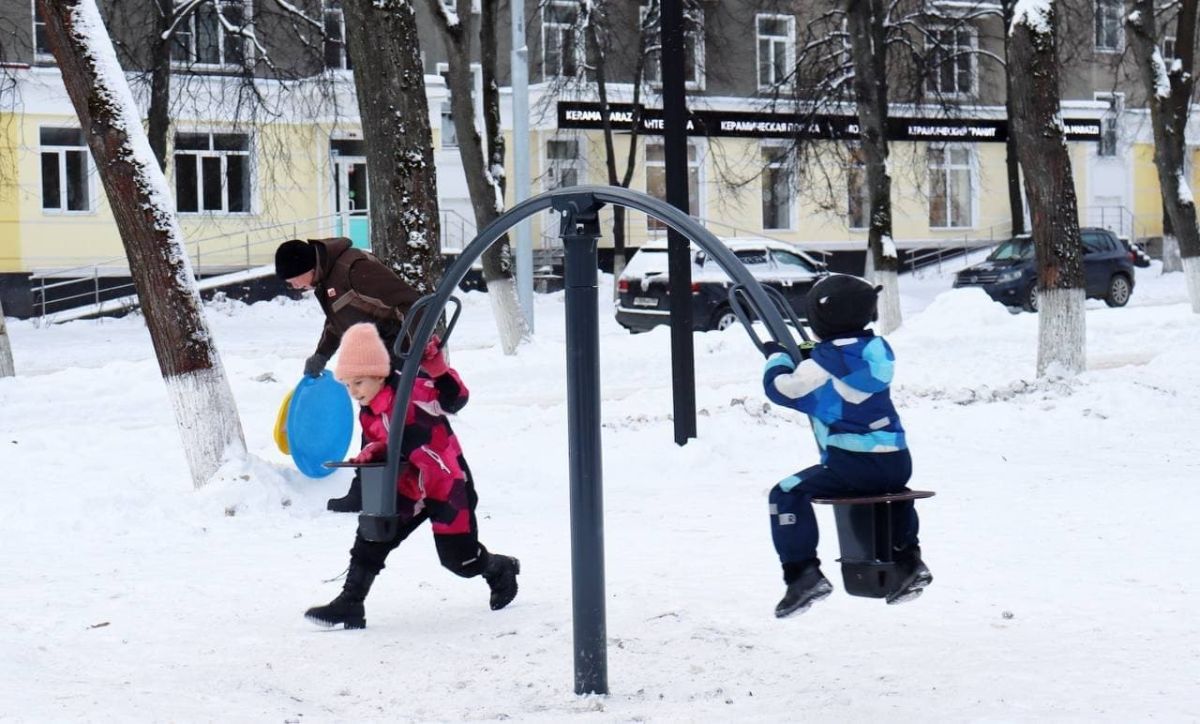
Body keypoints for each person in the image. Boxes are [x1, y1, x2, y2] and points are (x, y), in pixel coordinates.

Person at [304, 323, 520, 629]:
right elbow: (386, 441)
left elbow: (454, 399)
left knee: (459, 560)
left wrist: (439, 370)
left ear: (379, 374)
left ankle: (498, 568)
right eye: (348, 385)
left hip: (446, 484)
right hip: (409, 484)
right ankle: (350, 602)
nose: (353, 392)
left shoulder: (413, 390)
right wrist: (373, 452)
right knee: (373, 531)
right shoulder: (368, 411)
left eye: (359, 383)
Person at [761, 274, 931, 618]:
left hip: (852, 462)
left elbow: (785, 389)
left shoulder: (822, 367)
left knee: (785, 493)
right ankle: (909, 560)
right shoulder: (875, 352)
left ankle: (801, 574)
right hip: (897, 459)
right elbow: (839, 358)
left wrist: (776, 358)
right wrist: (812, 355)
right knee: (891, 493)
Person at [275, 237, 420, 512]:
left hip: (394, 350)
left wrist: (411, 354)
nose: (293, 286)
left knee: (386, 419)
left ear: (306, 267)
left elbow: (409, 302)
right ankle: (375, 490)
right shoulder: (327, 278)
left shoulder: (353, 270)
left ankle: (386, 489)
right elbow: (338, 320)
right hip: (377, 351)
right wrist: (321, 355)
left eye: (293, 279)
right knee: (379, 420)